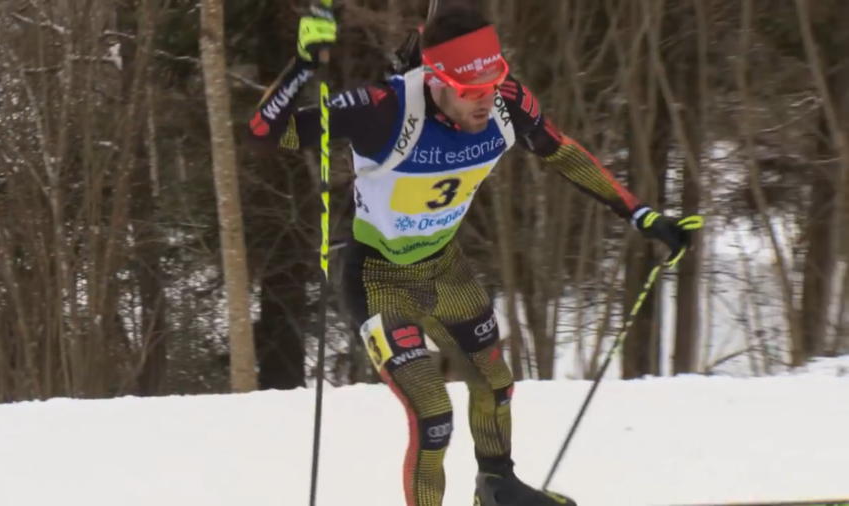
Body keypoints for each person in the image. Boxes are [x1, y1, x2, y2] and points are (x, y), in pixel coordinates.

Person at [248, 5, 702, 506]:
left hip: (445, 267)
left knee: (496, 384)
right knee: (432, 415)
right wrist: (303, 67)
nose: (484, 100)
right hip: (379, 276)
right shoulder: (383, 109)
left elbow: (563, 151)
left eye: (491, 84)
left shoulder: (507, 102)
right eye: (470, 92)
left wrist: (642, 216)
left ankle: (497, 487)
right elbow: (264, 134)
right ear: (436, 80)